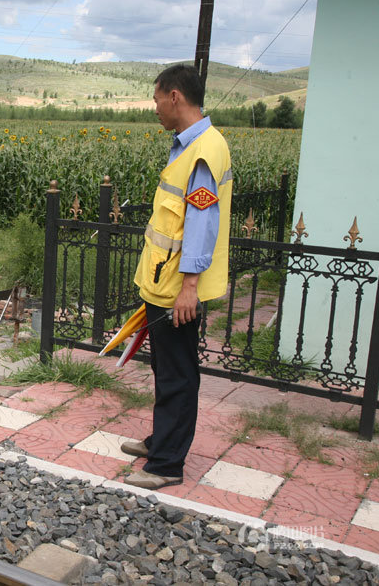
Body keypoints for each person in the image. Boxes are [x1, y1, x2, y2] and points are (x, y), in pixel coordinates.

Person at [122, 64, 232, 490]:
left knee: (178, 375)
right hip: (163, 282)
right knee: (167, 369)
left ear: (174, 97)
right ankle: (161, 441)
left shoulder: (204, 149)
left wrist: (189, 288)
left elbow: (201, 225)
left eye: (155, 100)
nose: (154, 109)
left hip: (176, 290)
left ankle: (168, 463)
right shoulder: (188, 145)